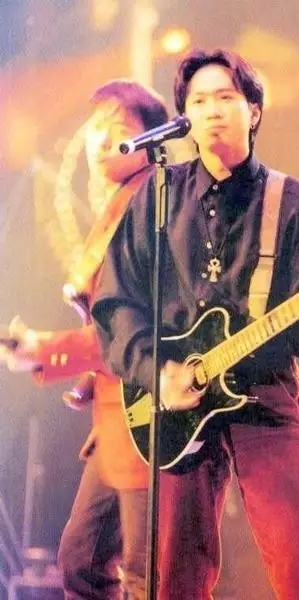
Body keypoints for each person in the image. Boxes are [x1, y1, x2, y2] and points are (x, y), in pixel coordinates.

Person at [91, 49, 299, 599]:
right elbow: (116, 301)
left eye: (225, 97)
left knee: (297, 565)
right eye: (198, 101)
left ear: (254, 111)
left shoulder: (294, 204)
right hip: (176, 405)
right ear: (184, 116)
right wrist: (155, 370)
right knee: (176, 577)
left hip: (264, 395)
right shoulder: (158, 198)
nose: (211, 110)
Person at [1, 79, 169, 599]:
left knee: (144, 574)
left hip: (150, 414)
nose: (100, 140)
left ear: (149, 138)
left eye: (117, 128)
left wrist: (47, 348)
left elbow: (134, 329)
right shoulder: (120, 203)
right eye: (94, 128)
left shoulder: (152, 204)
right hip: (115, 414)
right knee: (82, 558)